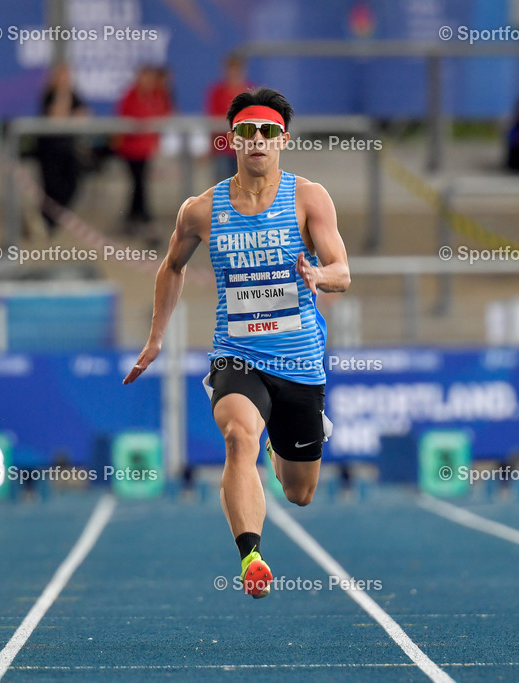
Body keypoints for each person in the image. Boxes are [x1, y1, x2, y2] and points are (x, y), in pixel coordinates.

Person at [123, 88, 350, 599]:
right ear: (232, 140)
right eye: (247, 132)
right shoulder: (200, 210)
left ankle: (277, 444)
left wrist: (319, 274)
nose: (257, 141)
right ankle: (251, 556)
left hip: (299, 359)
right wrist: (156, 337)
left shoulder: (309, 197)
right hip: (237, 353)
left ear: (283, 141)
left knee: (300, 492)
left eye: (268, 132)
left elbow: (343, 270)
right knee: (237, 438)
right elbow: (171, 267)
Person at [114, 66, 172, 237]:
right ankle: (142, 216)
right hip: (131, 149)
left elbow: (163, 116)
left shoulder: (157, 96)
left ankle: (134, 217)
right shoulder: (130, 96)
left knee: (139, 183)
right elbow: (125, 120)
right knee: (138, 182)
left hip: (145, 149)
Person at [33, 63, 90, 233]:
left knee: (71, 185)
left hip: (68, 151)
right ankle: (45, 224)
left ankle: (51, 223)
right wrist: (63, 96)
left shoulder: (75, 95)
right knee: (51, 189)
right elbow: (56, 116)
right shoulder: (49, 95)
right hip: (48, 151)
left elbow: (84, 116)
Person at [206, 54, 251, 182]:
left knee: (245, 184)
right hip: (222, 145)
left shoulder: (250, 91)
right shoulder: (217, 92)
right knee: (222, 183)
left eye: (237, 69)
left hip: (244, 147)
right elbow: (213, 119)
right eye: (231, 69)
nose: (234, 73)